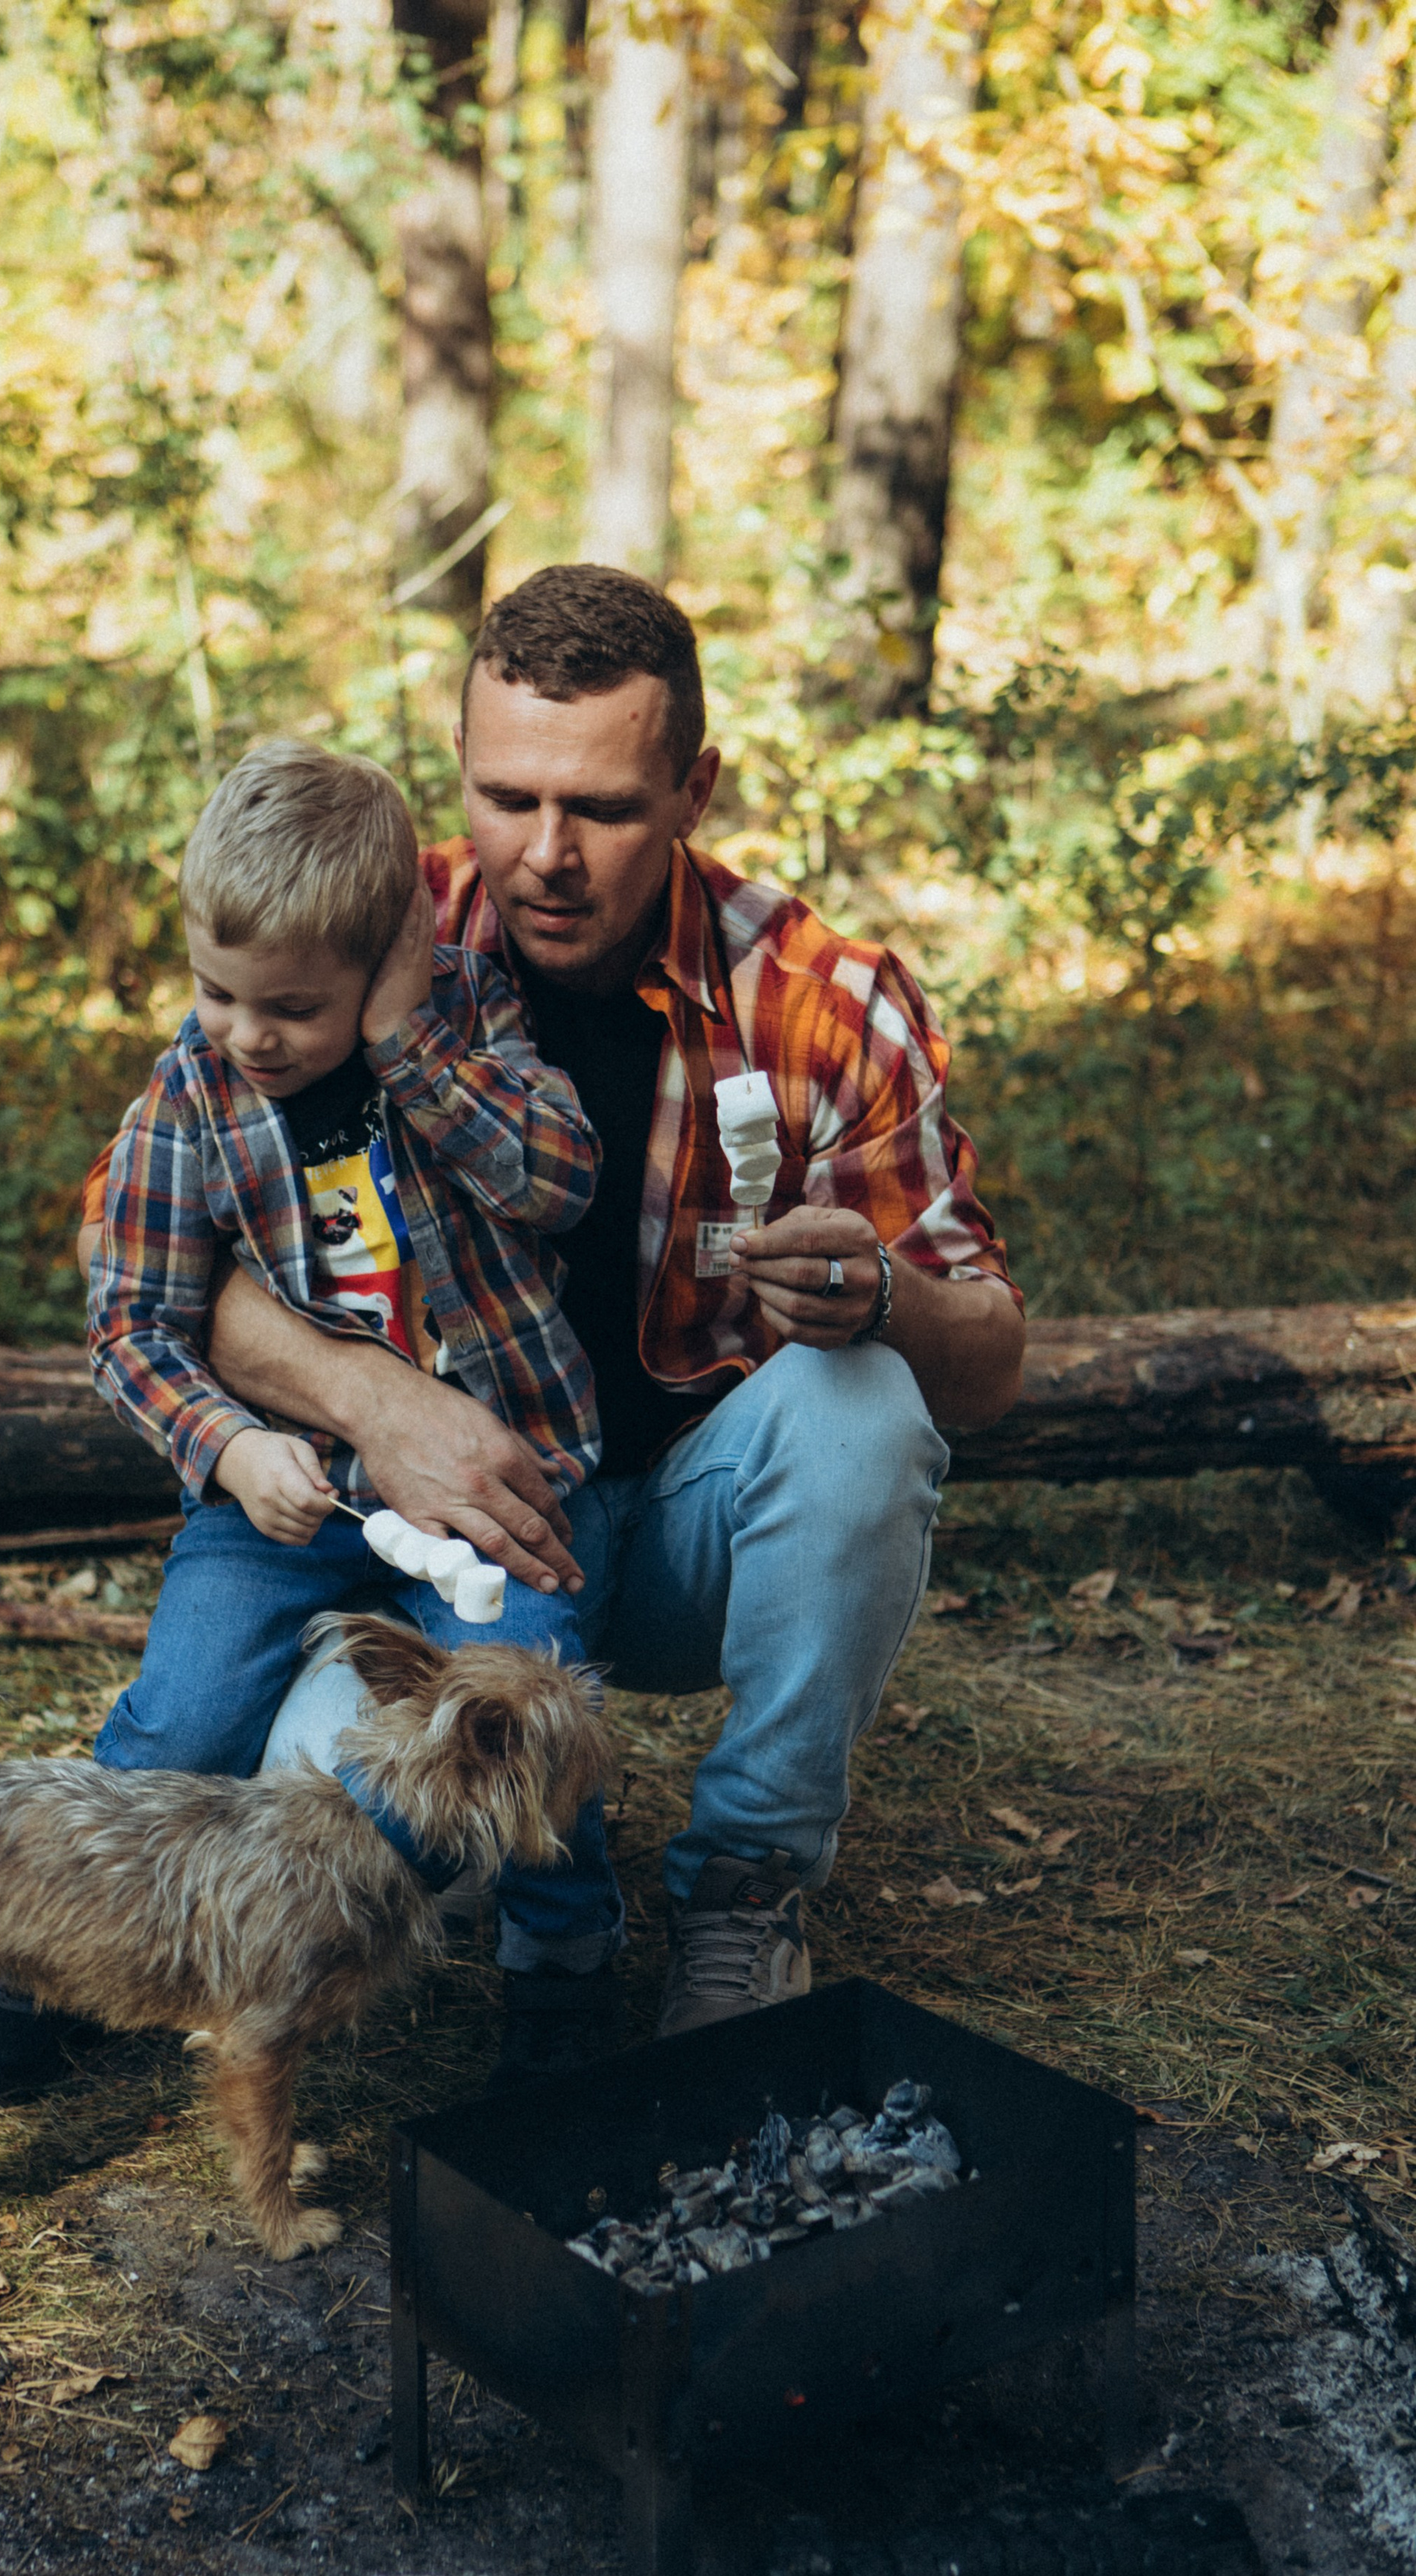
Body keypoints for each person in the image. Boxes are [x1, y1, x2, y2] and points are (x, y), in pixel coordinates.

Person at [127, 568, 1026, 2061]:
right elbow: (155, 1259)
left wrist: (881, 1294)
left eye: (601, 810)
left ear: (692, 788)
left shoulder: (820, 1002)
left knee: (862, 1402)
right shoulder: (342, 926)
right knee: (320, 1812)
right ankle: (484, 1871)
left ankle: (743, 1887)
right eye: (503, 798)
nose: (543, 856)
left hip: (680, 1534)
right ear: (457, 775)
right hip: (428, 1554)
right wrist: (373, 1402)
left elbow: (989, 1365)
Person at [0, 737, 621, 2096]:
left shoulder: (467, 1028)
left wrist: (402, 1042)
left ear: (383, 964)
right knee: (178, 1719)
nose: (249, 1032)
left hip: (492, 1494)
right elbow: (131, 1323)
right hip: (281, 1500)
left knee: (531, 1706)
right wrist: (229, 1444)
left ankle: (561, 1970)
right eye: (216, 990)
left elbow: (560, 1181)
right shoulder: (191, 1095)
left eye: (295, 1009)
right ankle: (60, 1955)